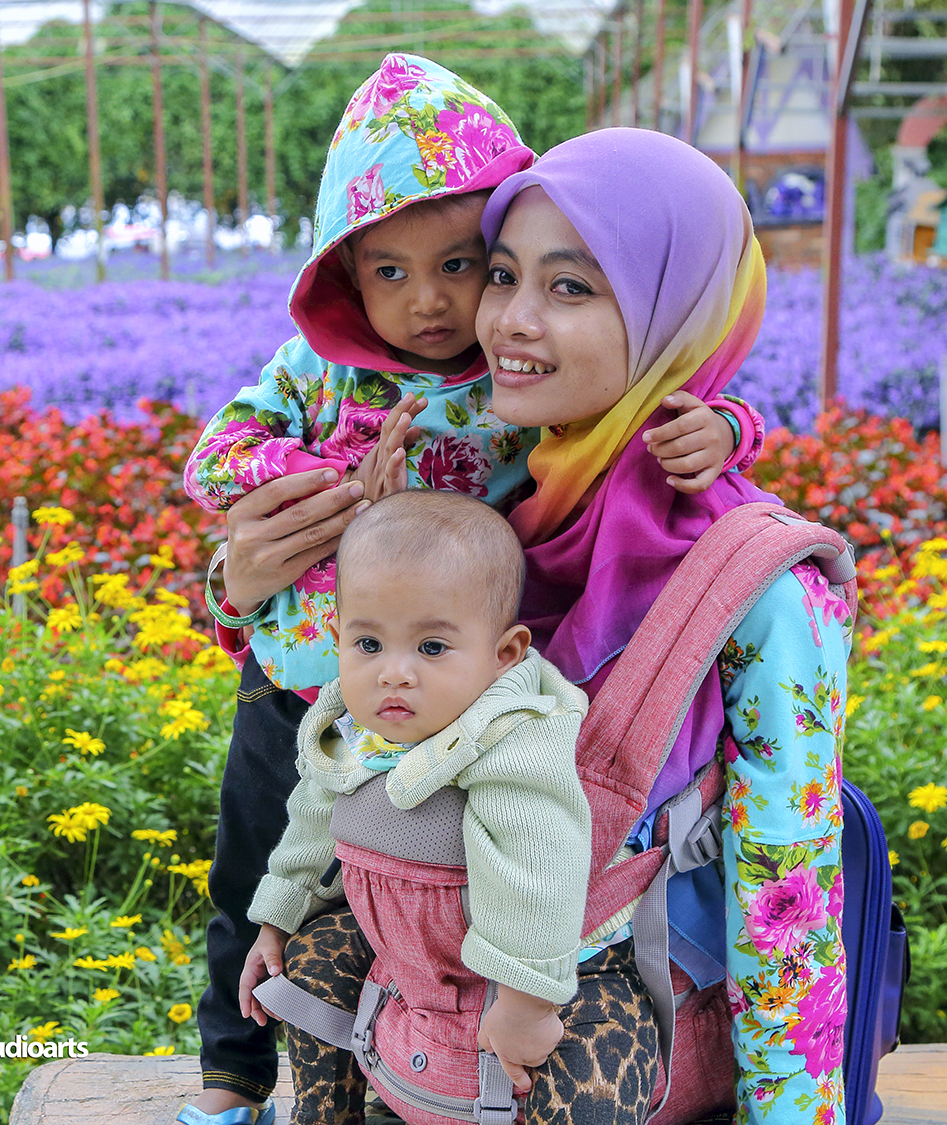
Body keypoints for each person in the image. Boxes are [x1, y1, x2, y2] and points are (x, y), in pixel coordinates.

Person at [220, 128, 851, 1125]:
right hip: (424, 1006)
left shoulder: (758, 580)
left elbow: (788, 892)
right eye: (504, 274)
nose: (505, 320)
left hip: (608, 1024)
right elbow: (355, 703)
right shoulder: (503, 504)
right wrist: (243, 585)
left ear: (673, 314)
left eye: (571, 288)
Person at [238, 489, 603, 1123]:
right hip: (405, 942)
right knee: (305, 961)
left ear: (505, 654)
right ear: (337, 637)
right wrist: (276, 919)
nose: (394, 674)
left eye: (431, 648)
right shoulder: (352, 724)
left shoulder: (512, 732)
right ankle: (332, 1111)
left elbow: (540, 867)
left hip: (522, 954)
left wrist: (525, 1001)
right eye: (369, 645)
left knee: (578, 1066)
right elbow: (311, 824)